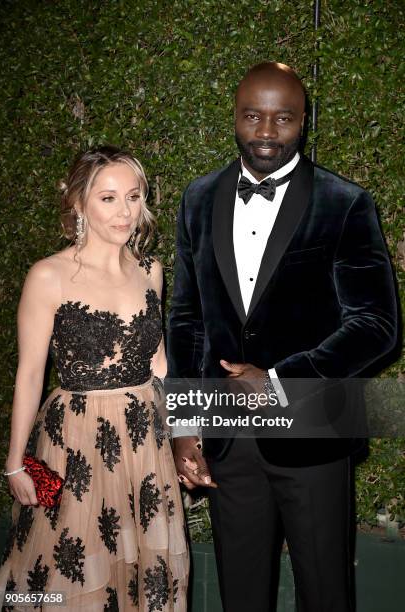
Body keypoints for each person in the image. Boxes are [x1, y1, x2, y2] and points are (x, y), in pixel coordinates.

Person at [167, 62, 397, 611]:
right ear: (236, 118)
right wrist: (183, 422)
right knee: (241, 595)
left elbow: (377, 326)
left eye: (283, 119)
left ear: (303, 122)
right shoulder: (198, 199)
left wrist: (279, 381)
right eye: (254, 116)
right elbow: (186, 319)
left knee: (325, 593)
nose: (267, 132)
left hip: (315, 428)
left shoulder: (345, 202)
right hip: (227, 438)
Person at [0, 146, 189, 610]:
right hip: (76, 440)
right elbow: (30, 374)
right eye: (108, 198)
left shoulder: (151, 271)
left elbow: (159, 361)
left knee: (146, 567)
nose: (125, 211)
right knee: (70, 568)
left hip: (145, 437)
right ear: (79, 202)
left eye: (134, 196)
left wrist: (191, 430)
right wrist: (15, 461)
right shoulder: (49, 275)